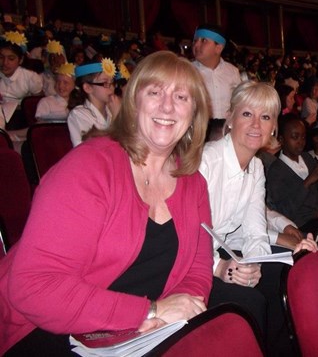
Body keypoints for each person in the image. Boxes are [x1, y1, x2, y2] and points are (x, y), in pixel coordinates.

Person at [0, 51, 214, 355]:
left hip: (140, 331)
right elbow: (34, 287)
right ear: (133, 102)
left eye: (181, 97)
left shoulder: (194, 184)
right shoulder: (89, 167)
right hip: (49, 328)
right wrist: (148, 311)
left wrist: (179, 312)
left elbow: (197, 268)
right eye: (154, 92)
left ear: (194, 114)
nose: (167, 106)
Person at [199, 81, 316, 354]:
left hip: (225, 249)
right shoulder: (208, 162)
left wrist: (256, 264)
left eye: (265, 117)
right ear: (230, 117)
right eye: (247, 114)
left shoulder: (256, 168)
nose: (256, 125)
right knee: (249, 299)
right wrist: (221, 268)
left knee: (283, 275)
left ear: (273, 126)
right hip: (195, 258)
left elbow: (254, 229)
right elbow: (191, 232)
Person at [267, 113, 318, 233]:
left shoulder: (306, 157)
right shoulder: (276, 171)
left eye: (303, 137)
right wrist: (307, 182)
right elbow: (283, 211)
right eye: (295, 137)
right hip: (299, 226)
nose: (300, 142)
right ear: (281, 140)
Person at [67, 58, 121, 146]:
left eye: (112, 82)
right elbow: (95, 148)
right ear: (88, 88)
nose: (112, 87)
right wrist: (116, 117)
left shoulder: (112, 109)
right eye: (105, 83)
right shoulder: (78, 115)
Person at [192, 23, 240, 120]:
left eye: (203, 41)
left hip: (227, 130)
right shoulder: (188, 71)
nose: (196, 45)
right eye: (195, 41)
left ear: (218, 48)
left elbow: (239, 102)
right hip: (199, 130)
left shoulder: (232, 72)